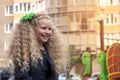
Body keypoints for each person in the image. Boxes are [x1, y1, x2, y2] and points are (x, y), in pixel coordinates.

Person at [9, 13, 69, 80]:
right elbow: (22, 76)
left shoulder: (50, 51)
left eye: (49, 29)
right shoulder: (23, 52)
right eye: (43, 28)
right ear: (31, 30)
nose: (47, 32)